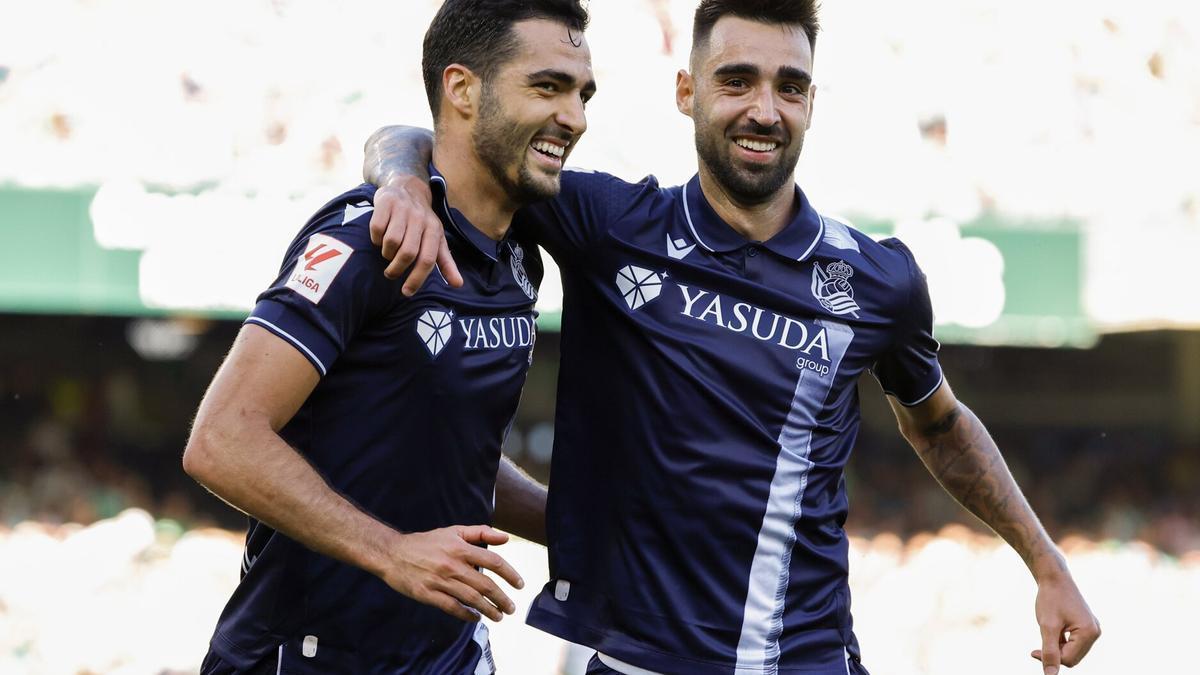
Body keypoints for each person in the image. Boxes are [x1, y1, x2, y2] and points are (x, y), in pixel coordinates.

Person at [363, 2, 1101, 674]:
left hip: (804, 661)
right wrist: (399, 183)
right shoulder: (607, 224)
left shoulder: (877, 281)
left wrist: (1046, 562)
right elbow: (421, 138)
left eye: (788, 86)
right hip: (632, 663)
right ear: (687, 92)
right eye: (737, 81)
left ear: (812, 103)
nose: (764, 110)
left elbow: (940, 426)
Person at [181, 0, 594, 672]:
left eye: (581, 94)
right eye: (546, 87)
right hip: (301, 657)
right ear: (462, 89)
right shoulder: (366, 241)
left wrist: (573, 529)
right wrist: (392, 551)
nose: (573, 117)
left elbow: (444, 452)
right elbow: (221, 439)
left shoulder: (522, 256)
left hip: (450, 655)